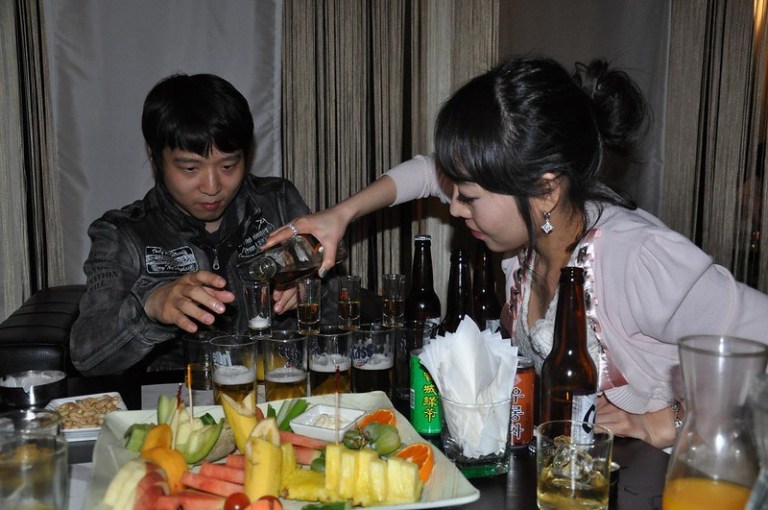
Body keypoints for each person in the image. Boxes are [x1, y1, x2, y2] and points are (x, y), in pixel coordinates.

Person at [265, 56, 768, 448]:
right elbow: (425, 173)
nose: (454, 208)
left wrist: (665, 421)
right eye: (455, 191)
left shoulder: (635, 257)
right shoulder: (533, 235)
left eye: (469, 197)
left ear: (545, 189)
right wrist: (341, 215)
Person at [70, 73, 338, 376]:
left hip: (279, 386)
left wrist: (311, 291)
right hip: (179, 397)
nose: (212, 187)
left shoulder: (278, 204)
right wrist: (149, 310)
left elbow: (342, 310)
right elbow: (86, 357)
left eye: (228, 166)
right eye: (190, 168)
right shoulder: (123, 233)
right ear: (155, 159)